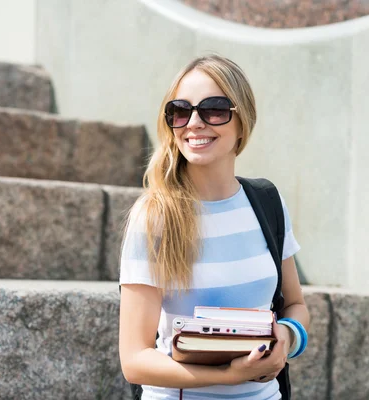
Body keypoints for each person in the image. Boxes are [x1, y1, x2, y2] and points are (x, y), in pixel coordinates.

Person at [118, 54, 310, 400]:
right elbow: (134, 360)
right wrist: (226, 375)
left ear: (242, 121)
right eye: (180, 111)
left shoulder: (266, 201)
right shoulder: (154, 216)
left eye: (214, 109)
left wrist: (287, 335)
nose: (194, 123)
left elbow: (295, 304)